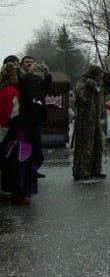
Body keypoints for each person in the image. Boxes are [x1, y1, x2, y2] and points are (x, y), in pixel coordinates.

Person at [0, 62, 46, 205]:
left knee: (10, 163)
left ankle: (10, 190)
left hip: (12, 134)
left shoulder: (6, 90)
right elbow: (12, 114)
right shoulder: (14, 92)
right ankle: (22, 192)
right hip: (20, 133)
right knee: (21, 163)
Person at [19, 55, 51, 178]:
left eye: (32, 62)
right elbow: (22, 87)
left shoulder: (36, 78)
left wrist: (47, 75)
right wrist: (29, 73)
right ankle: (27, 169)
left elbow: (46, 87)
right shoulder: (21, 76)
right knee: (27, 142)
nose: (30, 64)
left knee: (36, 143)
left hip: (36, 112)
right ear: (22, 64)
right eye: (27, 62)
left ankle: (33, 168)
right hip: (25, 114)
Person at [72, 65, 106, 181]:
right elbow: (82, 97)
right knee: (85, 145)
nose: (101, 76)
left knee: (97, 145)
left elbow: (103, 95)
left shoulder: (97, 83)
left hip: (95, 119)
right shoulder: (83, 82)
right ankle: (81, 170)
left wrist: (107, 85)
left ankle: (95, 170)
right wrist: (89, 87)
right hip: (85, 120)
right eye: (99, 74)